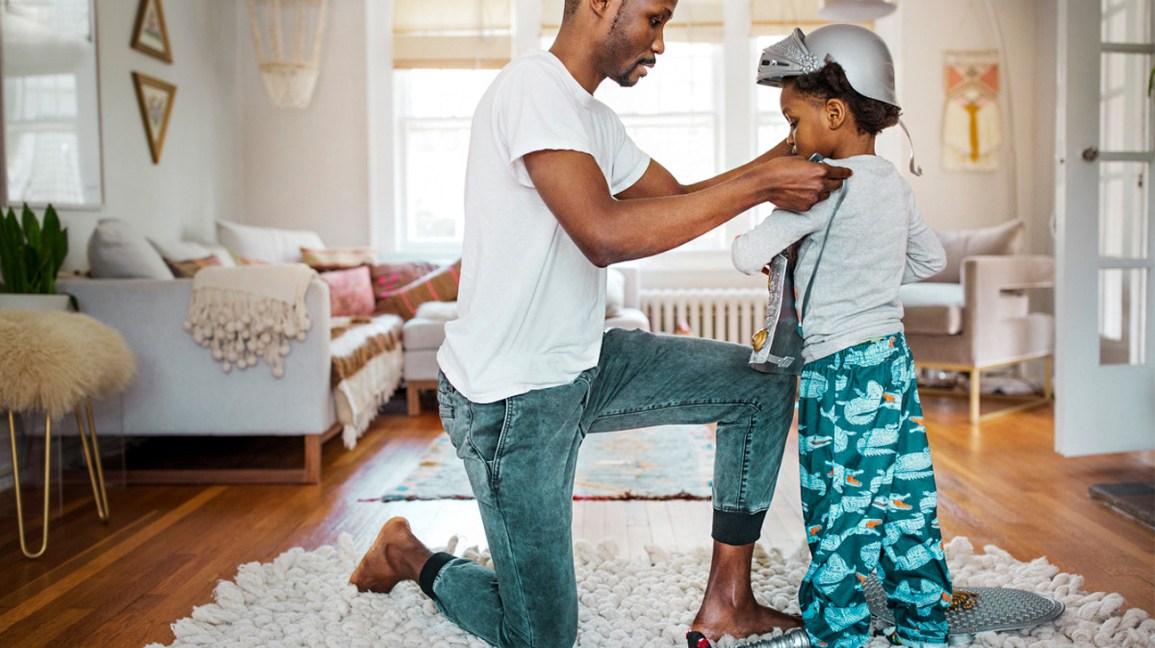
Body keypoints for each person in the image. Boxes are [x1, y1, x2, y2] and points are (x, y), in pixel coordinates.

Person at [349, 1, 851, 646]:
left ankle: (730, 599)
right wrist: (761, 185)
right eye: (655, 18)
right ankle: (408, 555)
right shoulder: (533, 88)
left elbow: (674, 201)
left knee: (760, 384)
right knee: (541, 638)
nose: (660, 44)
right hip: (510, 399)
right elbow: (603, 235)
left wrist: (797, 141)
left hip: (587, 362)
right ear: (602, 4)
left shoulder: (593, 118)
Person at [732, 25, 953, 648]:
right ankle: (925, 626)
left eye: (794, 121)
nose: (791, 139)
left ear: (834, 112)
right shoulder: (893, 186)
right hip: (893, 362)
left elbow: (747, 254)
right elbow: (929, 260)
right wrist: (873, 266)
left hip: (839, 369)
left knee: (840, 504)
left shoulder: (820, 183)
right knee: (907, 498)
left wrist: (778, 189)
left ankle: (839, 632)